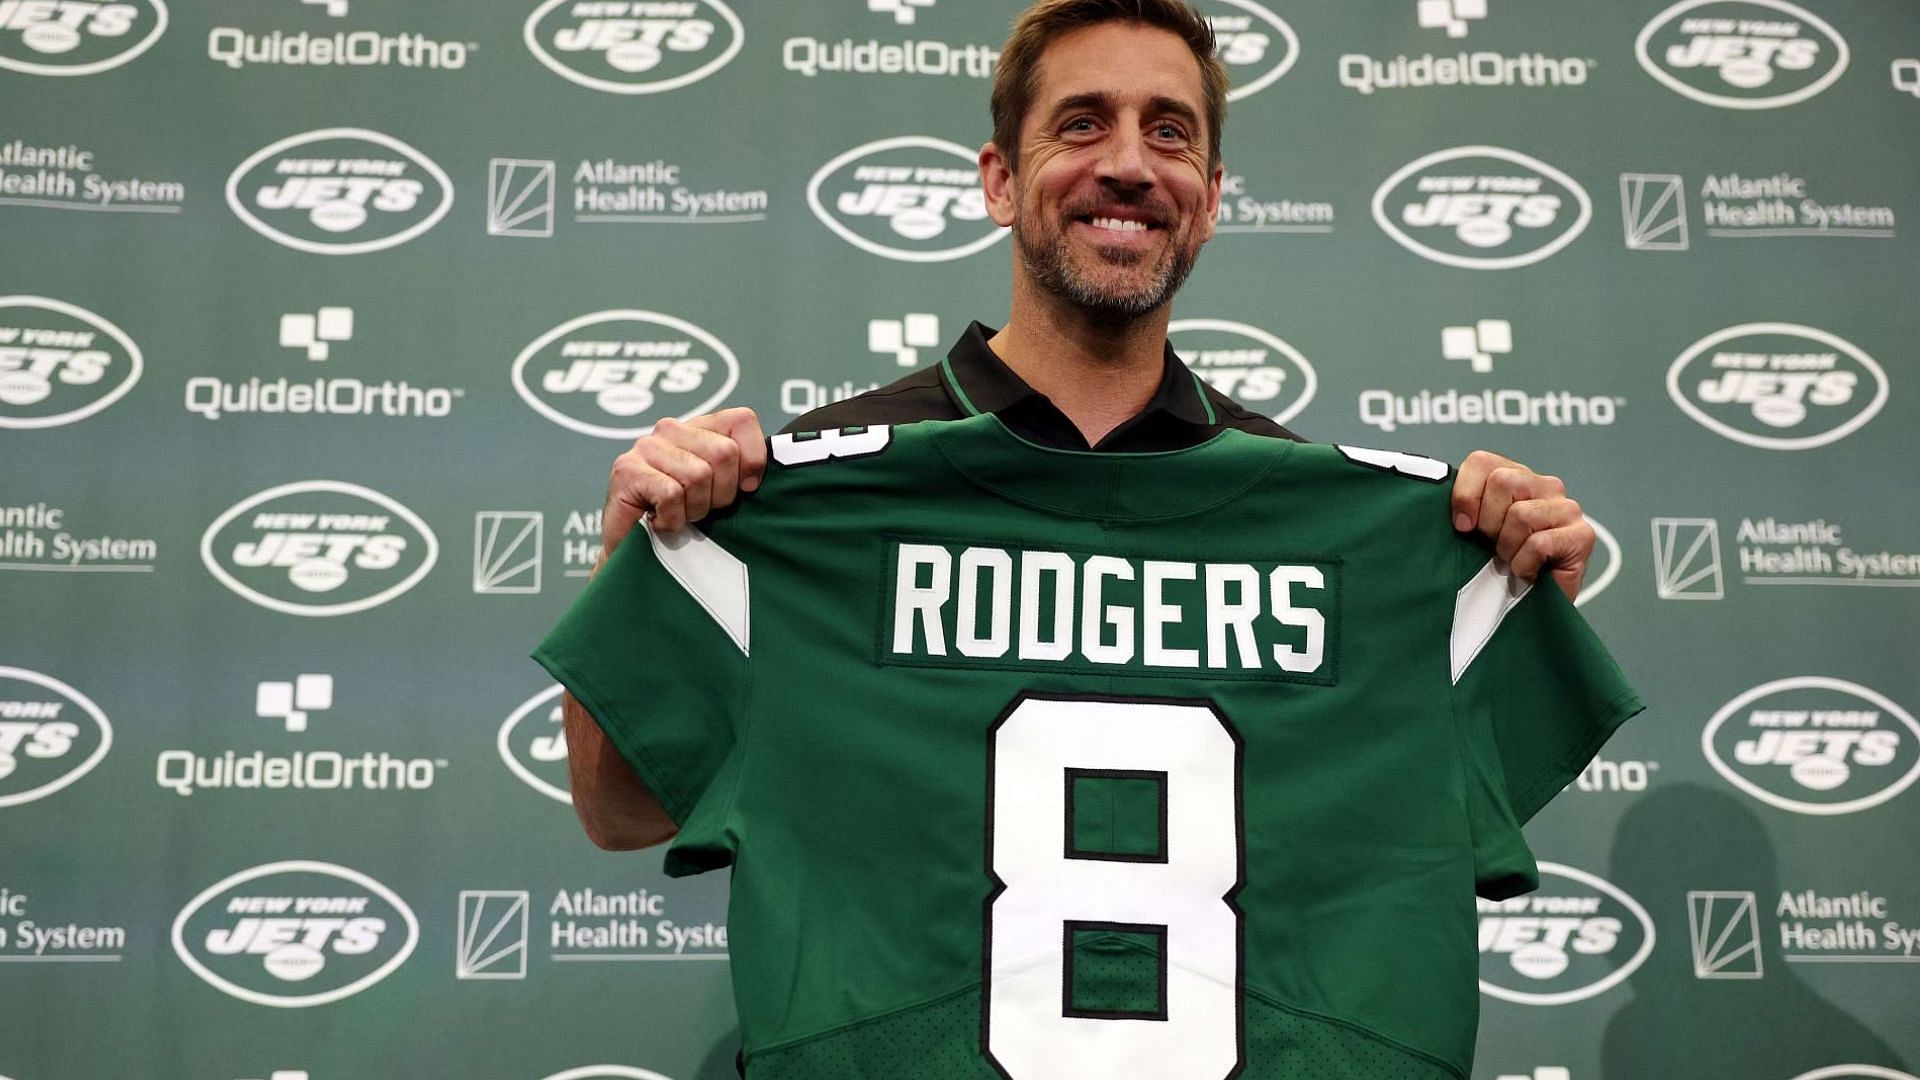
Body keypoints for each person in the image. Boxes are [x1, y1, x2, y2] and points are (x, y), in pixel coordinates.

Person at [539, 2, 1637, 1074]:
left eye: (1170, 132)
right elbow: (618, 809)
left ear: (1209, 200)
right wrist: (642, 545)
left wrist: (1501, 579)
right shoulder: (809, 494)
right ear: (999, 180)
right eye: (1080, 124)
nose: (1127, 164)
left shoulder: (1362, 544)